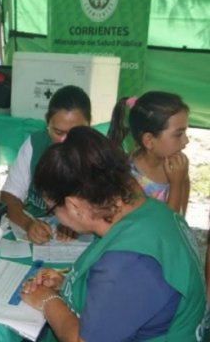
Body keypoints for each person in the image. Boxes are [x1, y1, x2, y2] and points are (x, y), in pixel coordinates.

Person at [19, 126, 205, 341]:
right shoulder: (147, 212)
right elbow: (127, 300)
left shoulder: (128, 262)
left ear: (74, 206)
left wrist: (48, 301)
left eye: (52, 209)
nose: (56, 218)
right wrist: (68, 284)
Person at [0, 85, 91, 244]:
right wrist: (29, 224)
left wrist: (79, 223)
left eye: (74, 133)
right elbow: (9, 196)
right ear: (47, 123)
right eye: (58, 132)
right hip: (40, 230)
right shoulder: (35, 145)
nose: (65, 141)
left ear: (89, 125)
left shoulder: (97, 155)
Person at [108, 91, 190, 215]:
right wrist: (176, 184)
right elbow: (167, 225)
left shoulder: (178, 167)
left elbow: (180, 219)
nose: (186, 140)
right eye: (178, 134)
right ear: (149, 141)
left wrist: (181, 180)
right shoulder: (128, 179)